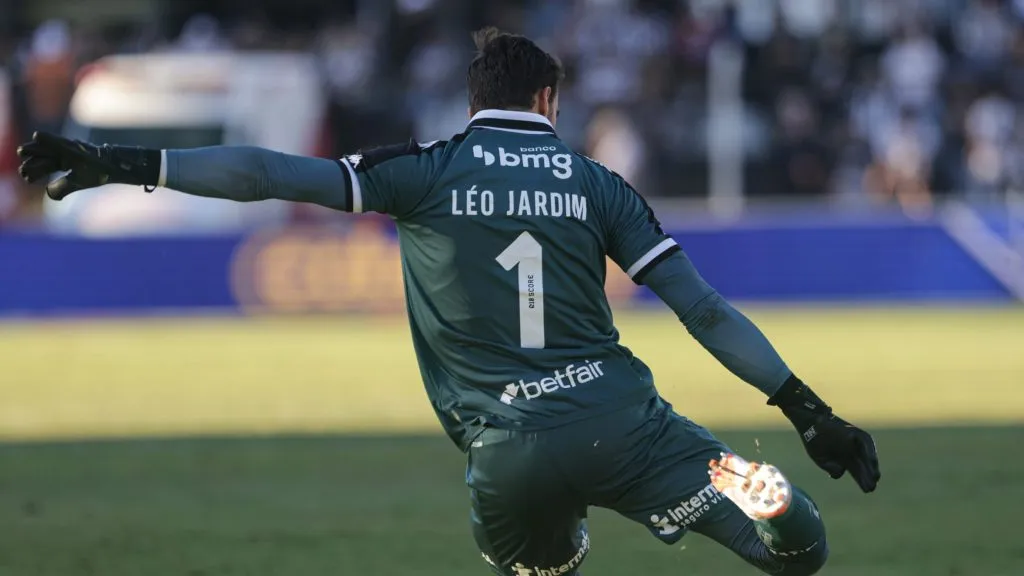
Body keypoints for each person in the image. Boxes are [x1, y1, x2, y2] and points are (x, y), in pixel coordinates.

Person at [17, 28, 879, 576]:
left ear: (474, 104)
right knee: (798, 559)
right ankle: (767, 501)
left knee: (547, 564)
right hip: (625, 423)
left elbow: (266, 173)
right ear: (550, 101)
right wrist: (808, 410)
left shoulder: (424, 170)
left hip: (505, 446)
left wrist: (120, 162)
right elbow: (708, 313)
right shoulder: (597, 185)